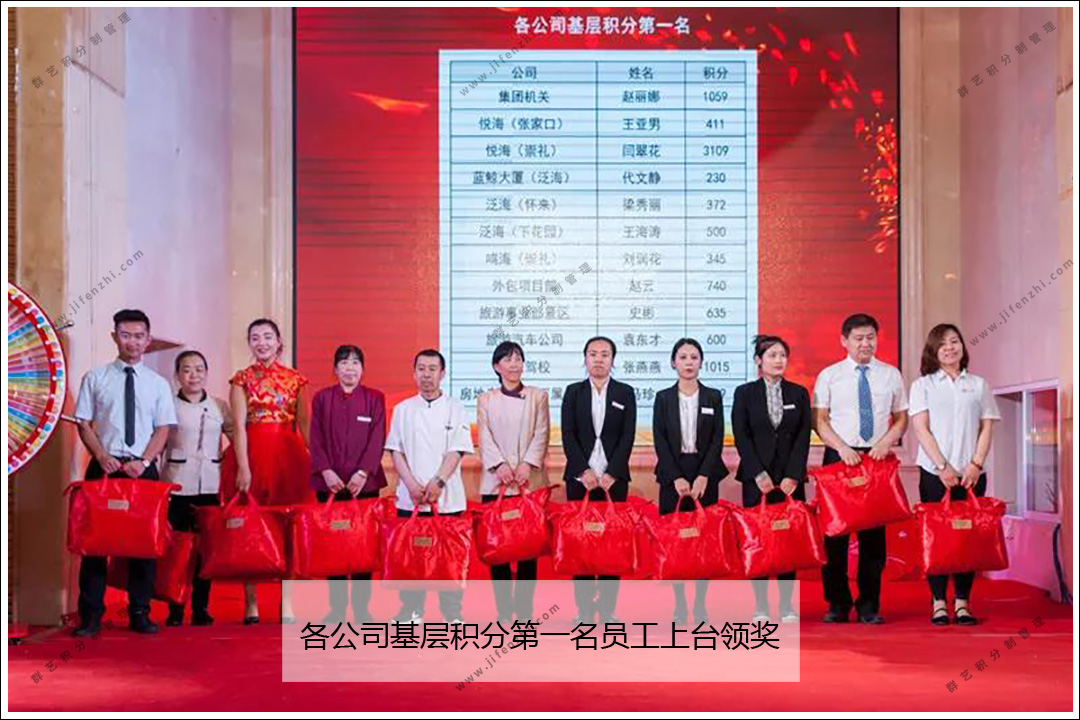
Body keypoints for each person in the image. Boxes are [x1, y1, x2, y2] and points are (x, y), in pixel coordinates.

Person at [72, 309, 178, 636]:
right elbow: (83, 423)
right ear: (114, 337)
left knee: (144, 544)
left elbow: (163, 428)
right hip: (104, 468)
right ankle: (91, 616)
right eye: (126, 335)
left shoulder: (157, 384)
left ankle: (140, 612)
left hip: (142, 471)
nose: (132, 342)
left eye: (139, 336)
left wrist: (144, 461)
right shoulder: (96, 378)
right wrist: (101, 455)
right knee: (95, 545)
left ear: (148, 340)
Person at [812, 313, 908, 624]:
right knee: (835, 536)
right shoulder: (830, 375)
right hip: (839, 456)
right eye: (858, 338)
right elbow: (819, 420)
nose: (865, 343)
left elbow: (901, 418)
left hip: (876, 458)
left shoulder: (891, 375)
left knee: (873, 538)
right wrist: (841, 448)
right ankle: (837, 603)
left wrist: (886, 442)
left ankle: (869, 604)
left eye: (870, 338)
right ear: (844, 341)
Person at [221, 318, 313, 624]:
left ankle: (287, 603)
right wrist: (243, 466)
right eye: (255, 338)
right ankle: (251, 602)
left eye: (268, 337)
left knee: (289, 527)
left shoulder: (296, 379)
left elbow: (304, 426)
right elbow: (239, 427)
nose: (262, 343)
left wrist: (317, 463)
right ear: (249, 343)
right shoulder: (241, 379)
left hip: (289, 458)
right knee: (251, 526)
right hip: (252, 456)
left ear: (279, 342)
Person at [909, 323, 999, 626]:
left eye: (954, 341)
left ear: (962, 346)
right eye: (942, 343)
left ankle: (962, 603)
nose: (949, 347)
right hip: (934, 474)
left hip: (972, 474)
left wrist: (976, 464)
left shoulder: (978, 384)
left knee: (966, 539)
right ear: (933, 351)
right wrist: (942, 466)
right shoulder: (923, 385)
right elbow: (921, 429)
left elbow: (987, 426)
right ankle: (938, 602)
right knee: (937, 538)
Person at [385, 349, 474, 624]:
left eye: (432, 369)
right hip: (410, 497)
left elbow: (458, 450)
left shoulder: (456, 407)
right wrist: (412, 485)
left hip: (447, 496)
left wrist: (438, 482)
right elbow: (396, 451)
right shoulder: (403, 409)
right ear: (414, 373)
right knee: (412, 556)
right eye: (421, 369)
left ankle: (452, 613)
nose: (426, 375)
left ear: (442, 373)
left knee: (449, 556)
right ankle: (411, 611)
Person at [731, 335, 812, 623]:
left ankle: (787, 605)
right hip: (757, 480)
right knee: (760, 541)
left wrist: (793, 475)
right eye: (772, 355)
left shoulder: (799, 393)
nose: (779, 360)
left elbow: (803, 437)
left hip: (789, 480)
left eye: (782, 355)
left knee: (787, 541)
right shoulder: (744, 393)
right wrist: (758, 473)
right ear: (758, 361)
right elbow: (741, 436)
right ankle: (761, 606)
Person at [309, 344, 388, 624]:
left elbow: (377, 438)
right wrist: (326, 472)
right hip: (329, 484)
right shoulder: (322, 398)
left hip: (364, 486)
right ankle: (337, 608)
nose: (350, 368)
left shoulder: (374, 398)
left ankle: (362, 609)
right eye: (344, 363)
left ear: (363, 369)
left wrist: (363, 473)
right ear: (335, 369)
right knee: (334, 546)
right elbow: (315, 437)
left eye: (355, 363)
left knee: (362, 546)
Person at [560, 336, 637, 625]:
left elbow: (628, 436)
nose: (599, 359)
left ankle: (607, 609)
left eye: (605, 354)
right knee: (581, 546)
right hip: (580, 481)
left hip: (613, 482)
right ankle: (583, 609)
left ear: (613, 360)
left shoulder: (625, 392)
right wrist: (584, 471)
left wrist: (612, 473)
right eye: (593, 354)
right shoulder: (574, 392)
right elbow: (568, 434)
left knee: (610, 546)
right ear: (585, 359)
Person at [652, 338, 728, 625]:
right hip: (672, 474)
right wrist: (676, 477)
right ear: (673, 362)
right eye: (682, 357)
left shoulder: (713, 397)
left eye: (694, 357)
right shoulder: (663, 398)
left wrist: (704, 475)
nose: (688, 362)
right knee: (677, 542)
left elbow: (717, 439)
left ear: (701, 362)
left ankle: (700, 605)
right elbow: (660, 440)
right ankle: (680, 604)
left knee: (703, 541)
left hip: (704, 473)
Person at [476, 340, 551, 624]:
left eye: (518, 358)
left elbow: (542, 433)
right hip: (496, 483)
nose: (514, 364)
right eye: (507, 359)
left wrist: (526, 464)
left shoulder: (537, 396)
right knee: (499, 550)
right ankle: (504, 612)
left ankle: (525, 612)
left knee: (528, 551)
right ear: (496, 366)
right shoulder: (486, 399)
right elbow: (484, 436)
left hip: (527, 482)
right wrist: (499, 465)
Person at [162, 350, 234, 627]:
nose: (194, 375)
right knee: (178, 550)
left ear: (206, 373)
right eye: (187, 370)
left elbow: (236, 437)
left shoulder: (219, 406)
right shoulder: (167, 405)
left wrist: (227, 460)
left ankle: (201, 608)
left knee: (206, 550)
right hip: (177, 485)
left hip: (210, 486)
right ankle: (175, 608)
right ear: (177, 375)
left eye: (199, 369)